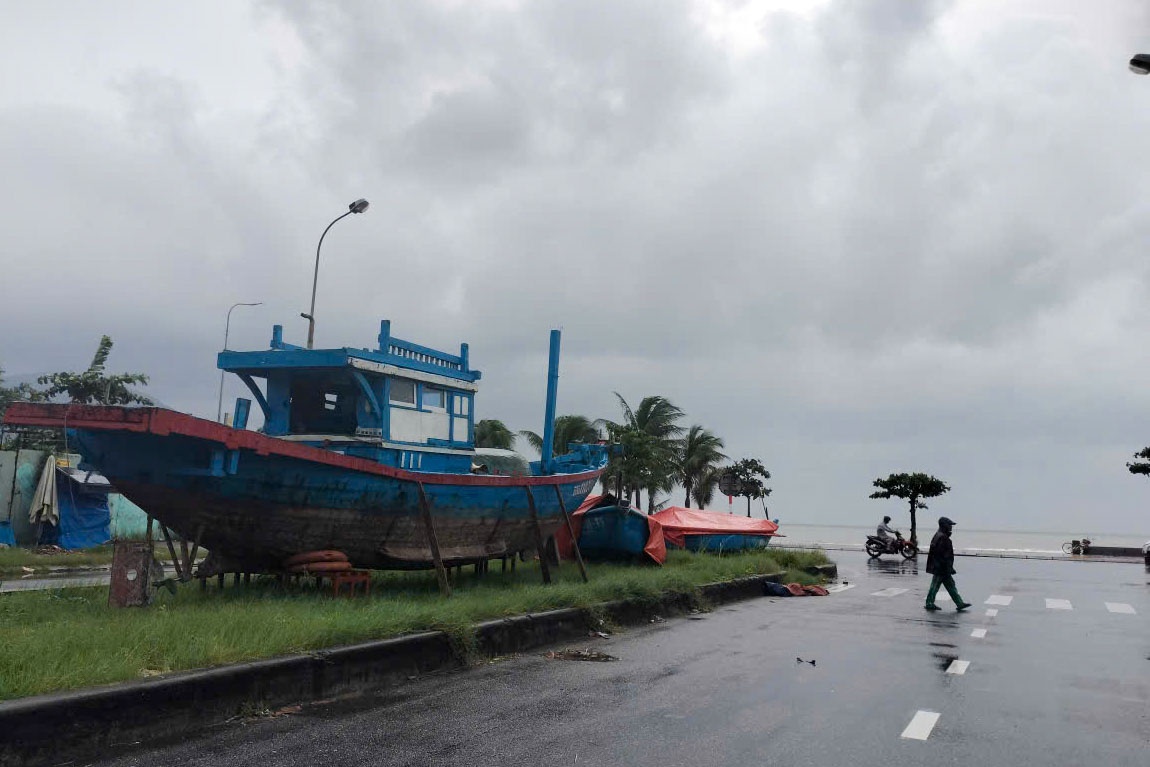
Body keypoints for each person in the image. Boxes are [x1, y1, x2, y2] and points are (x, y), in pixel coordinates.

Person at [925, 516, 971, 612]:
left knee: (950, 585)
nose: (951, 527)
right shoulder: (942, 538)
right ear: (944, 525)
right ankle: (929, 603)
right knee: (935, 586)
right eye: (949, 525)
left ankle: (959, 603)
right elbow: (943, 555)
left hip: (941, 567)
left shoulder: (938, 535)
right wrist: (947, 567)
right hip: (941, 568)